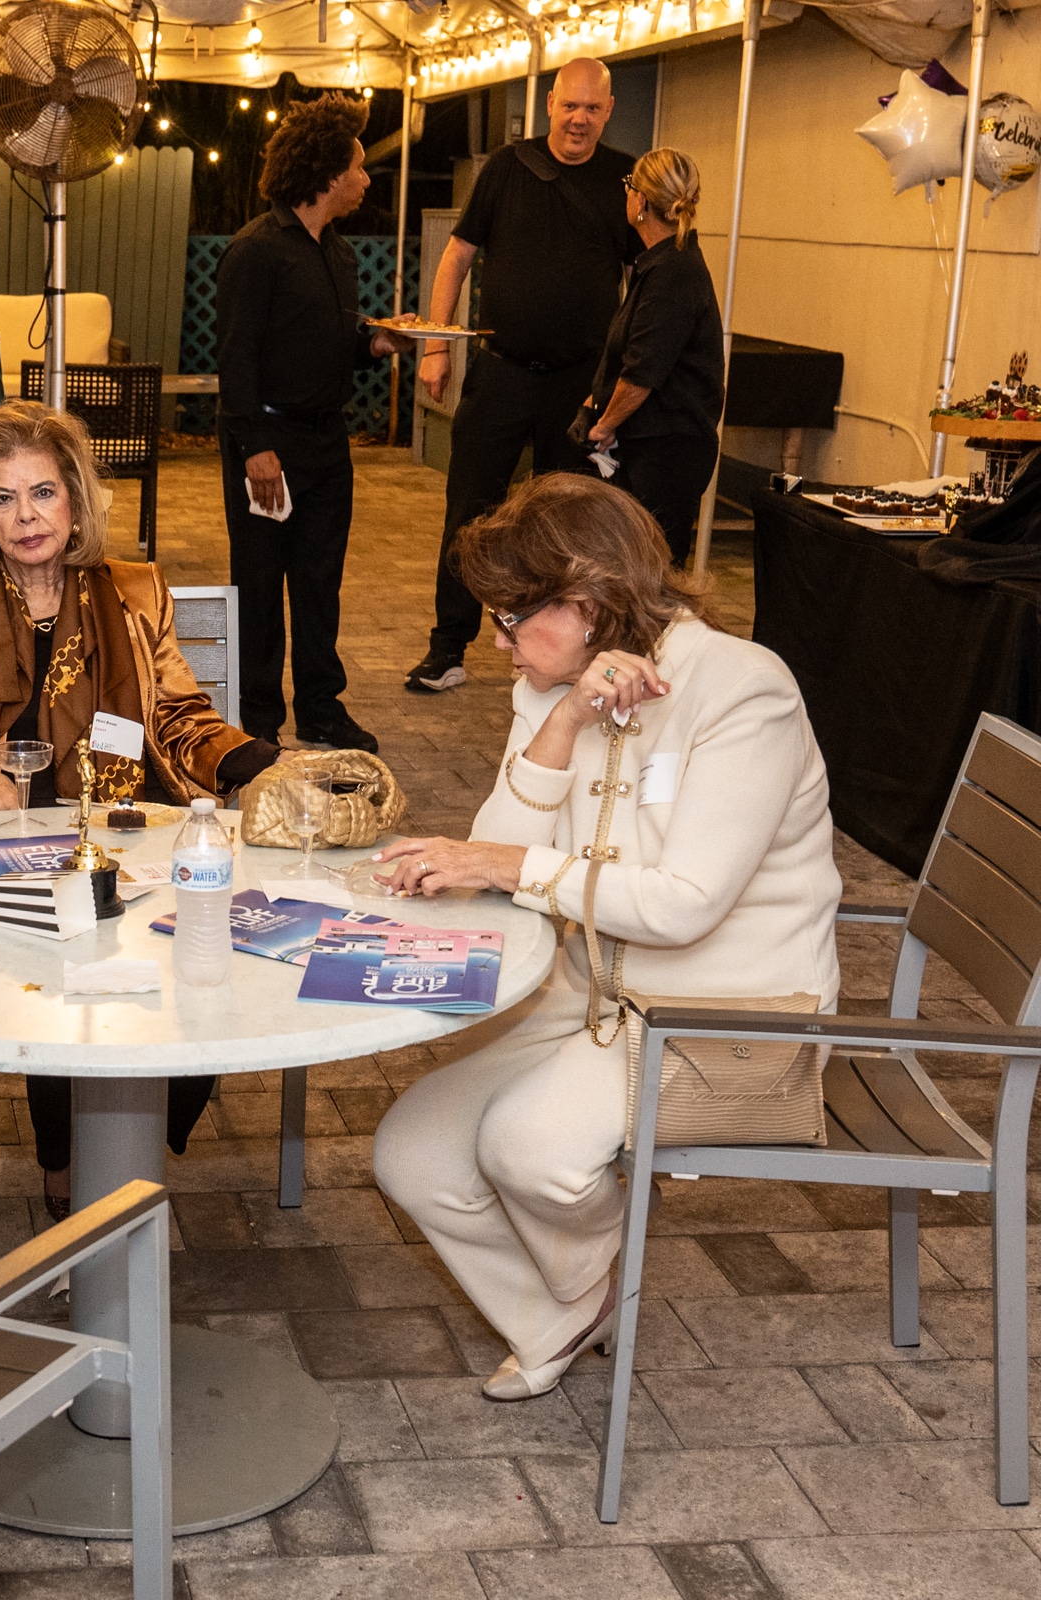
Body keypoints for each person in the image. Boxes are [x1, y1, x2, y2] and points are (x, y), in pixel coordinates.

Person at [370, 473, 840, 1400]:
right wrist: (562, 723)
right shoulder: (553, 685)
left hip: (730, 1013)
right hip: (592, 990)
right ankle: (569, 1309)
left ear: (584, 603)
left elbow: (684, 905)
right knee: (410, 1155)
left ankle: (591, 1277)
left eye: (509, 618)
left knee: (527, 1149)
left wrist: (510, 867)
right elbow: (498, 846)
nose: (495, 641)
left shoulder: (745, 689)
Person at [0, 401, 283, 1219]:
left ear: (74, 500)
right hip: (20, 839)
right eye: (4, 499)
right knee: (56, 962)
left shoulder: (137, 592)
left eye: (43, 492)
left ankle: (132, 1132)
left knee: (206, 958)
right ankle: (66, 1161)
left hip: (134, 827)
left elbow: (180, 719)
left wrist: (261, 763)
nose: (26, 516)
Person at [405, 57, 640, 696]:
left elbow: (643, 277)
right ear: (550, 104)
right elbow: (456, 257)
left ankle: (565, 654)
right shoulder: (507, 168)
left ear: (608, 112)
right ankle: (447, 649)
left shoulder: (626, 179)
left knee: (571, 524)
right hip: (501, 372)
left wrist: (624, 377)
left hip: (580, 384)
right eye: (570, 106)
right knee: (469, 512)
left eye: (592, 108)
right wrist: (436, 345)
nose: (579, 119)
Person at [216, 92, 402, 753]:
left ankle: (321, 710)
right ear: (327, 173)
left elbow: (324, 342)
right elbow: (236, 357)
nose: (366, 179)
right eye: (358, 167)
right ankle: (257, 720)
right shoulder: (255, 251)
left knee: (321, 584)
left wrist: (374, 343)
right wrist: (255, 448)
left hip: (327, 442)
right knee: (261, 585)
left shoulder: (339, 254)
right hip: (269, 442)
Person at [583, 148, 725, 566]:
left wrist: (604, 426)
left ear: (641, 200)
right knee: (629, 565)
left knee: (653, 570)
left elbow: (642, 372)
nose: (626, 195)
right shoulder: (660, 263)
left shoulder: (673, 272)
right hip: (651, 444)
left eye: (629, 186)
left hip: (667, 451)